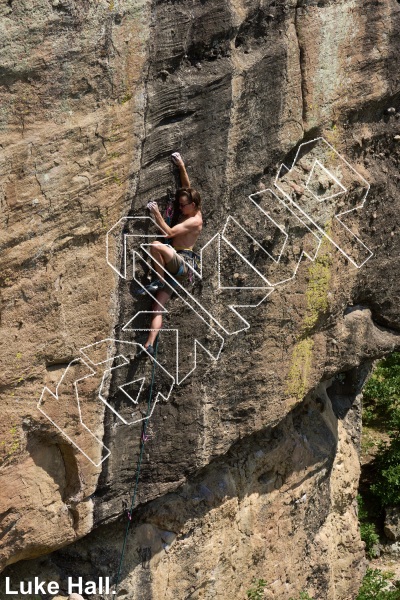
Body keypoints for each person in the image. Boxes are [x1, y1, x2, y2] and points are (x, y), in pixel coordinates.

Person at [139, 152, 203, 356]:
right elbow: (187, 188)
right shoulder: (192, 206)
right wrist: (181, 166)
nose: (179, 207)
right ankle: (149, 345)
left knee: (157, 245)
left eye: (183, 205)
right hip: (175, 266)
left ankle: (158, 279)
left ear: (193, 206)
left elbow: (169, 232)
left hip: (183, 263)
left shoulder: (194, 221)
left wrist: (156, 212)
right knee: (157, 306)